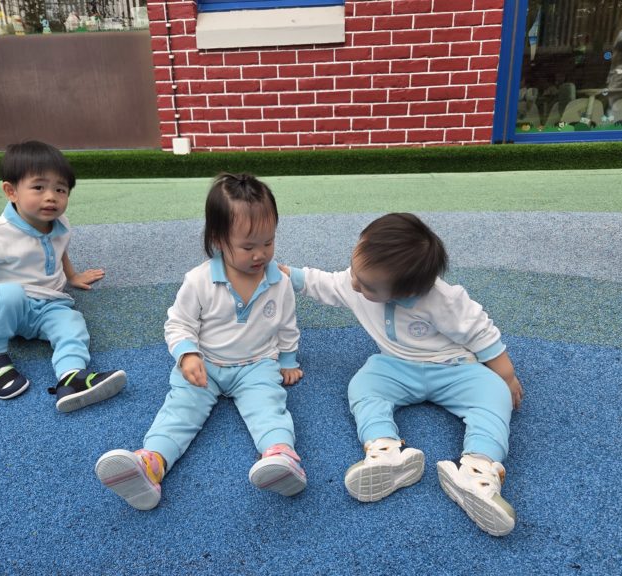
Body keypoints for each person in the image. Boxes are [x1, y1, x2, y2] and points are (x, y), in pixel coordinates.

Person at [286, 213, 523, 537]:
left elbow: (482, 333)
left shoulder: (444, 300)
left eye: (366, 286)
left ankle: (479, 470)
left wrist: (506, 377)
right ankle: (384, 450)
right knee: (363, 385)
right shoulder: (360, 281)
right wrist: (289, 275)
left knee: (494, 395)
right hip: (396, 365)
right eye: (354, 270)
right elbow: (324, 283)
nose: (353, 284)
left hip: (454, 368)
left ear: (403, 292)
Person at [95, 173, 306, 510]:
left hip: (256, 365)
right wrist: (187, 354)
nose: (260, 255)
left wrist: (288, 360)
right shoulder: (199, 280)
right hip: (204, 365)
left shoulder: (278, 281)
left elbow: (287, 323)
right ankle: (151, 464)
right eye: (248, 247)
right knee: (180, 410)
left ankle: (281, 457)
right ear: (218, 239)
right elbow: (178, 323)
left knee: (269, 407)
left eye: (268, 243)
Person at [0, 140, 126, 413]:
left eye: (60, 189)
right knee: (9, 293)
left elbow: (59, 248)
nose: (51, 197)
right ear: (11, 191)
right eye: (38, 187)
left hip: (49, 304)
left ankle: (71, 376)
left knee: (72, 323)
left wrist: (72, 276)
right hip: (5, 306)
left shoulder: (60, 224)